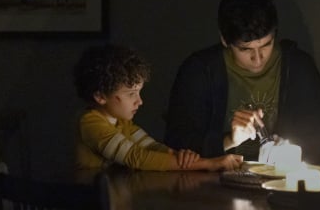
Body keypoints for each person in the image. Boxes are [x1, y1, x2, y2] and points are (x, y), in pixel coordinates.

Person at [164, 0, 320, 165]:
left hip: (285, 181)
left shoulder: (298, 67)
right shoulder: (200, 70)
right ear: (224, 40)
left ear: (275, 35)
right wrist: (229, 140)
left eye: (265, 45)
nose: (257, 58)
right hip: (214, 182)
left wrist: (291, 149)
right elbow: (177, 143)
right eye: (245, 49)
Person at [73, 44, 243, 171]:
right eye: (131, 94)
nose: (139, 101)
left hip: (115, 203)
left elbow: (151, 147)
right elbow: (137, 157)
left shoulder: (122, 123)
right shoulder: (90, 123)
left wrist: (182, 157)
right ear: (100, 96)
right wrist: (208, 163)